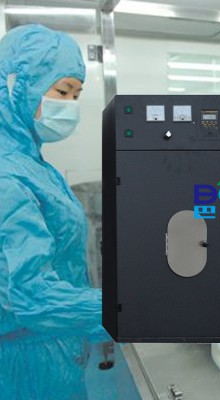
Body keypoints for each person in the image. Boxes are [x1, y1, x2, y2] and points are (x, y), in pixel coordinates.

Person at [0, 24, 108, 399]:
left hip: (56, 348)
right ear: (17, 87)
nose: (70, 105)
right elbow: (30, 296)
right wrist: (127, 309)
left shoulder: (33, 164)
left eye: (77, 94)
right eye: (62, 91)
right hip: (28, 363)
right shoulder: (8, 177)